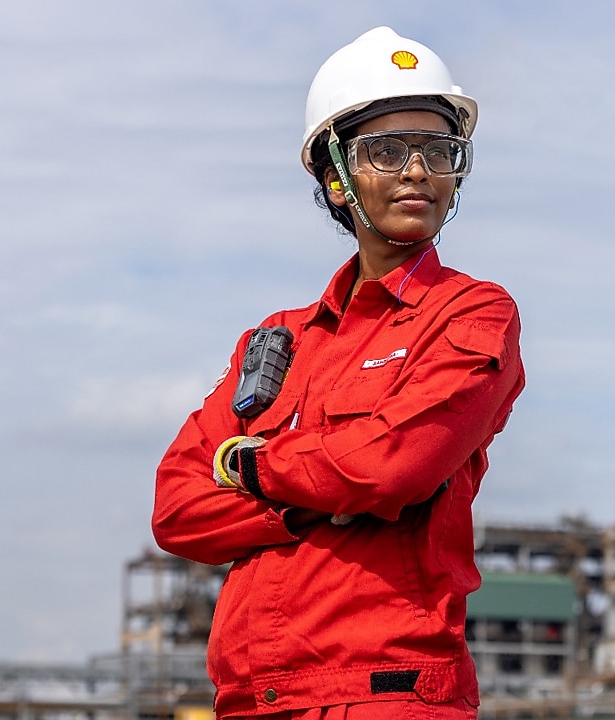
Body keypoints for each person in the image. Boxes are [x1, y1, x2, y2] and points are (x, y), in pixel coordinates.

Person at [152, 27, 525, 720]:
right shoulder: (276, 341)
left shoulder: (471, 312)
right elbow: (177, 510)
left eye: (439, 152)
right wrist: (318, 497)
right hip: (251, 701)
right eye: (386, 151)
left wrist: (251, 466)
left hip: (387, 694)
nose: (418, 170)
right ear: (334, 172)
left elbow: (393, 467)